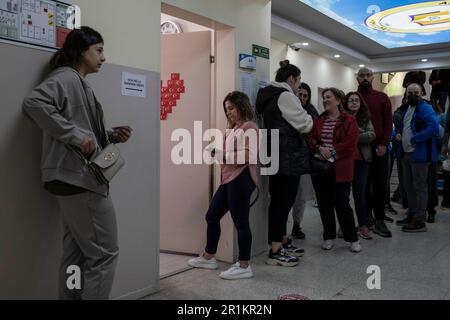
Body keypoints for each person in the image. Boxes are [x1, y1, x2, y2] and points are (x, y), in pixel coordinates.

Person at [22, 27, 133, 300]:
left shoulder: (75, 81)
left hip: (68, 181)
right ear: (82, 51)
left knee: (75, 256)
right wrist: (75, 135)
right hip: (79, 181)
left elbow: (82, 132)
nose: (103, 58)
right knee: (105, 255)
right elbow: (33, 103)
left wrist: (109, 136)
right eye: (99, 50)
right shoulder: (66, 78)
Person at [188, 91, 258, 280]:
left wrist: (223, 155)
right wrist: (217, 151)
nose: (228, 113)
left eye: (231, 108)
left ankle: (244, 265)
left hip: (242, 179)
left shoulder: (250, 127)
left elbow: (250, 155)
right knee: (212, 216)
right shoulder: (233, 128)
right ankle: (209, 257)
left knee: (241, 222)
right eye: (226, 109)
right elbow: (229, 155)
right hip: (228, 179)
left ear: (241, 106)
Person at [256, 60, 313, 267]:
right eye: (299, 82)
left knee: (280, 202)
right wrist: (307, 119)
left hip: (275, 154)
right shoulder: (286, 96)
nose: (299, 87)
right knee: (282, 203)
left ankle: (281, 240)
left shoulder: (269, 95)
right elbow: (306, 124)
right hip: (286, 156)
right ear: (291, 79)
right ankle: (275, 251)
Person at [307, 88, 361, 252]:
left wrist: (332, 151)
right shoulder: (319, 119)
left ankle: (352, 238)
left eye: (328, 97)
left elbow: (351, 143)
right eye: (324, 97)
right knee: (324, 205)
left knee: (342, 205)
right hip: (321, 168)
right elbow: (310, 138)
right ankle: (328, 236)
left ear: (338, 100)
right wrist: (319, 148)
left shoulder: (349, 120)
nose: (325, 100)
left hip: (341, 169)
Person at [395, 83, 439, 232]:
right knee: (408, 187)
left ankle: (420, 221)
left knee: (420, 187)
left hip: (419, 154)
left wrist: (415, 139)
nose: (413, 94)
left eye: (416, 92)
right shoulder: (406, 109)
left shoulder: (426, 108)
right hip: (405, 153)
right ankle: (412, 215)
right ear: (406, 94)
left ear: (421, 94)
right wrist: (398, 135)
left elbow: (433, 127)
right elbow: (404, 127)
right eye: (410, 92)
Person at [357, 67, 393, 238]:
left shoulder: (382, 98)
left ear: (372, 77)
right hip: (359, 149)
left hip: (379, 148)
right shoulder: (352, 98)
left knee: (379, 185)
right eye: (361, 75)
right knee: (362, 186)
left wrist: (384, 144)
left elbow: (388, 123)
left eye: (367, 75)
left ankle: (379, 219)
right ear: (357, 78)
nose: (365, 78)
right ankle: (365, 218)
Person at [343, 92, 376, 240]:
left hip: (362, 161)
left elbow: (371, 135)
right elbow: (340, 136)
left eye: (357, 100)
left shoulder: (365, 119)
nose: (354, 103)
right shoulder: (341, 117)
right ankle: (343, 227)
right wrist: (357, 134)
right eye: (351, 100)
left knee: (360, 195)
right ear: (346, 103)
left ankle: (363, 226)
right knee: (343, 196)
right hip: (344, 161)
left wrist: (354, 132)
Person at [291, 82, 319, 239]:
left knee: (300, 197)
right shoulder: (288, 110)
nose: (302, 98)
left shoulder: (312, 113)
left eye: (305, 96)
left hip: (304, 160)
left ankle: (296, 225)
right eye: (299, 94)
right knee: (286, 196)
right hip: (288, 159)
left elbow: (314, 136)